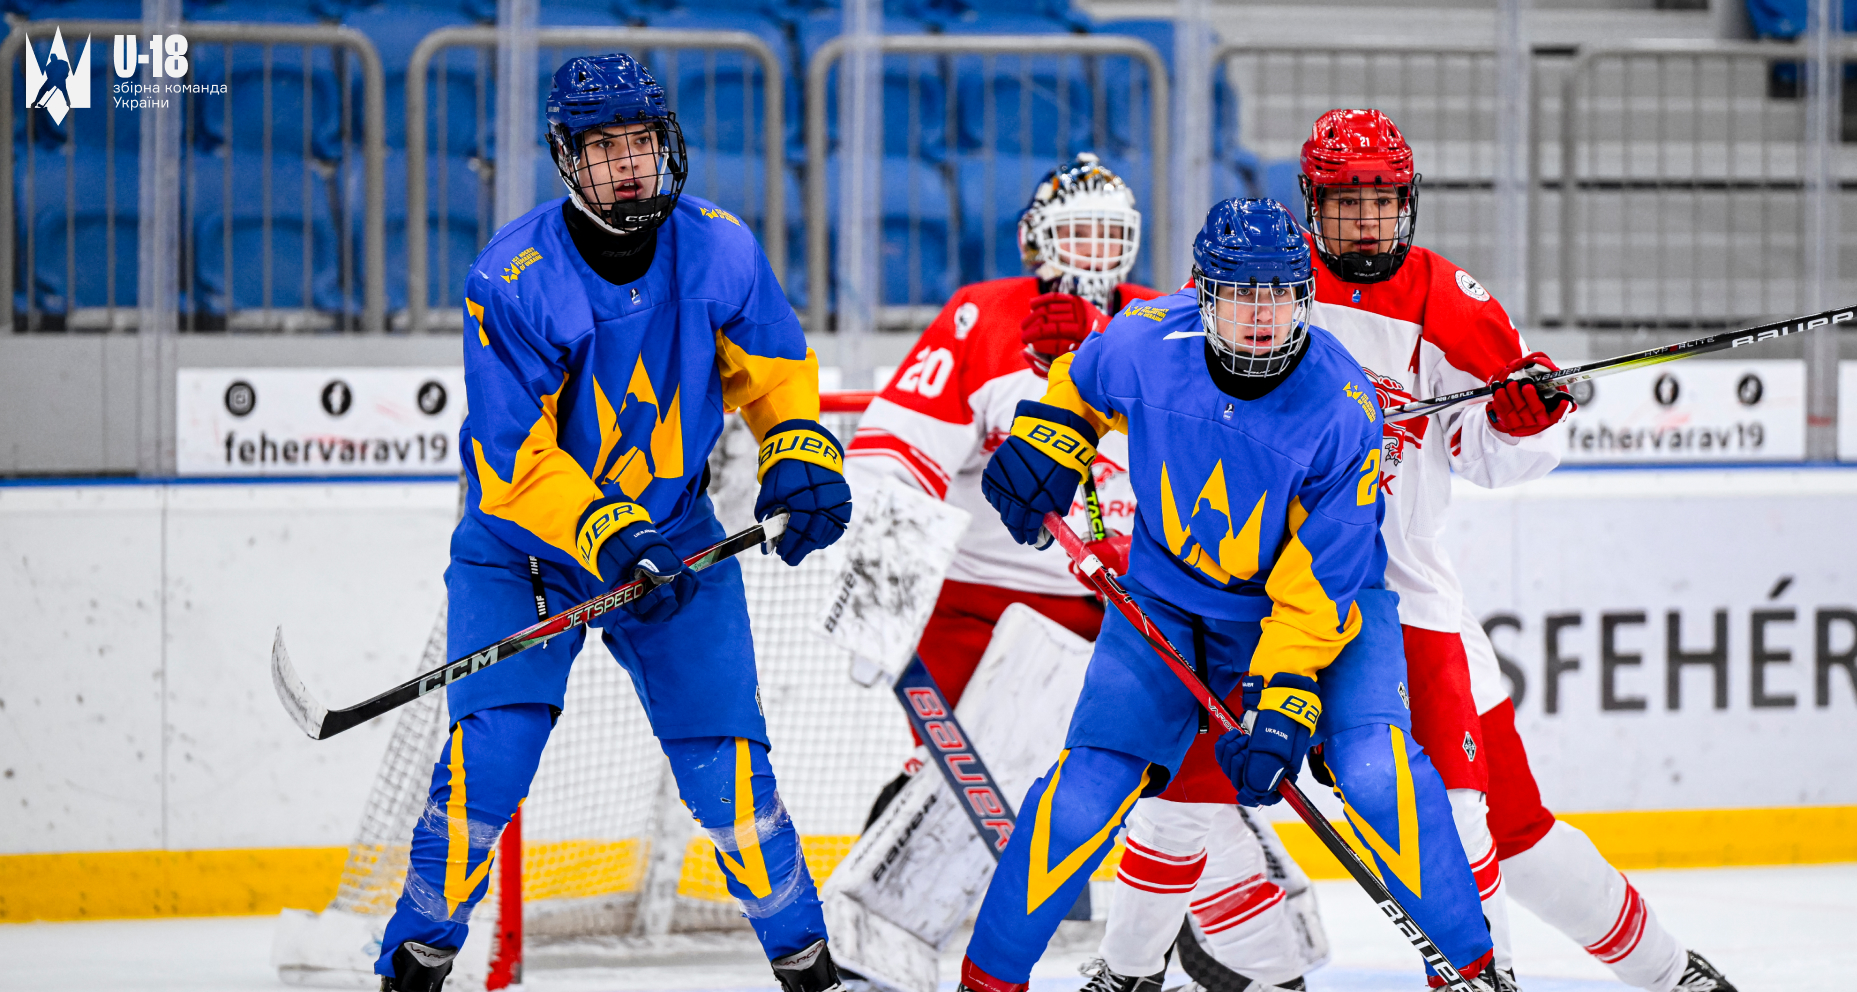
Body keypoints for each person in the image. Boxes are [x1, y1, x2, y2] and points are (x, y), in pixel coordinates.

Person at [372, 54, 853, 992]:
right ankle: (414, 964)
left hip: (677, 535)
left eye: (640, 141)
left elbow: (778, 374)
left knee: (730, 773)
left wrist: (799, 452)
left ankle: (810, 970)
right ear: (567, 157)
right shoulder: (512, 276)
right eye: (602, 147)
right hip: (526, 554)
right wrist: (607, 530)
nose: (627, 164)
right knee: (488, 767)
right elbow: (512, 458)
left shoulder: (722, 248)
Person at [958, 197, 1505, 992]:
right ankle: (986, 982)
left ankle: (1477, 971)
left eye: (1278, 295)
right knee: (1083, 792)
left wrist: (1284, 697)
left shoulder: (1344, 406)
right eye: (1241, 294)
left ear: (1303, 298)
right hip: (1170, 604)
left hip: (1328, 614)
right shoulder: (1147, 340)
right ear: (1203, 294)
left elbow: (1322, 584)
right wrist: (1051, 437)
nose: (1261, 315)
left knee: (1377, 775)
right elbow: (1082, 383)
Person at [1297, 107, 1735, 992]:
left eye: (1382, 203)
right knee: (1195, 798)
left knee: (1512, 828)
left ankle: (1666, 973)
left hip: (1404, 599)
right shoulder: (1269, 286)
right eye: (1347, 204)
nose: (1367, 223)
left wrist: (1522, 420)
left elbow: (1488, 453)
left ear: (1408, 203)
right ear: (1313, 204)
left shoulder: (1446, 300)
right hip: (1270, 598)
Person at [844, 153, 1158, 816]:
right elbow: (895, 456)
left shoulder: (1164, 324)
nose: (1095, 251)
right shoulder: (980, 317)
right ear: (1035, 240)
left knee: (1156, 794)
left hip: (1120, 612)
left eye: (1109, 233)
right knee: (944, 797)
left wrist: (1101, 350)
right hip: (975, 607)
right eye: (1077, 232)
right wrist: (881, 604)